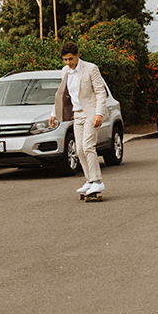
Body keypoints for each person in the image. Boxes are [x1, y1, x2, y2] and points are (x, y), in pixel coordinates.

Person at [50, 42, 108, 198]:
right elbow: (61, 94)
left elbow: (100, 92)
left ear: (78, 55)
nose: (68, 63)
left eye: (70, 59)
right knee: (79, 149)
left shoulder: (90, 68)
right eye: (65, 60)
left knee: (88, 146)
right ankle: (89, 181)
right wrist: (53, 113)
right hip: (77, 114)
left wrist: (99, 114)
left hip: (91, 113)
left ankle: (97, 181)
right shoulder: (65, 71)